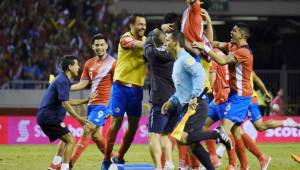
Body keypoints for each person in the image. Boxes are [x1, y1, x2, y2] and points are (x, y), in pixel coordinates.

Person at [162, 31, 232, 170]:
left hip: (197, 104)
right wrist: (172, 100)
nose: (165, 43)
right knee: (193, 145)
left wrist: (194, 96)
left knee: (181, 137)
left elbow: (199, 73)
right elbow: (182, 90)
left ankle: (216, 134)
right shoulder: (178, 61)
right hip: (189, 105)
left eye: (167, 40)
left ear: (175, 42)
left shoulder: (184, 59)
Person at [193, 23, 254, 170]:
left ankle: (222, 159)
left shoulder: (244, 52)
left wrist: (205, 48)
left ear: (242, 35)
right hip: (231, 95)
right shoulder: (232, 46)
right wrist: (202, 40)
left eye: (235, 30)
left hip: (240, 98)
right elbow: (216, 43)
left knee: (223, 132)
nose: (231, 31)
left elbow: (222, 61)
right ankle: (242, 166)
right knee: (234, 133)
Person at [101, 13, 147, 170]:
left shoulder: (147, 41)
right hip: (121, 88)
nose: (143, 27)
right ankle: (106, 159)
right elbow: (134, 45)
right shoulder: (125, 38)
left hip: (137, 90)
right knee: (116, 124)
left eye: (145, 25)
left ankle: (119, 157)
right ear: (132, 26)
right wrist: (155, 43)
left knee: (133, 127)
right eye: (140, 24)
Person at [68, 33, 116, 168]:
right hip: (92, 104)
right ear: (92, 46)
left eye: (102, 44)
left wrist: (112, 105)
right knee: (96, 137)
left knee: (87, 129)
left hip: (104, 104)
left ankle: (70, 163)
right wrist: (64, 86)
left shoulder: (113, 63)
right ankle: (113, 158)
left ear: (106, 46)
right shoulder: (89, 63)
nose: (99, 47)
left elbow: (117, 85)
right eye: (97, 45)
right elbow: (82, 84)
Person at [37, 55, 90, 170]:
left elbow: (66, 101)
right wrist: (79, 118)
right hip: (49, 117)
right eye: (76, 65)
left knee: (65, 140)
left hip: (47, 116)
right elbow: (65, 104)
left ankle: (54, 166)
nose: (79, 67)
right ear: (70, 67)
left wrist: (84, 101)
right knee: (71, 140)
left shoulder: (63, 80)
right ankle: (65, 167)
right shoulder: (62, 81)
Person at [144, 27, 176, 169]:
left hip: (160, 100)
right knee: (164, 135)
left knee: (153, 136)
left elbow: (147, 44)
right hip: (176, 99)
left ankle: (158, 167)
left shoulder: (153, 54)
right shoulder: (174, 53)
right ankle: (169, 163)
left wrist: (154, 32)